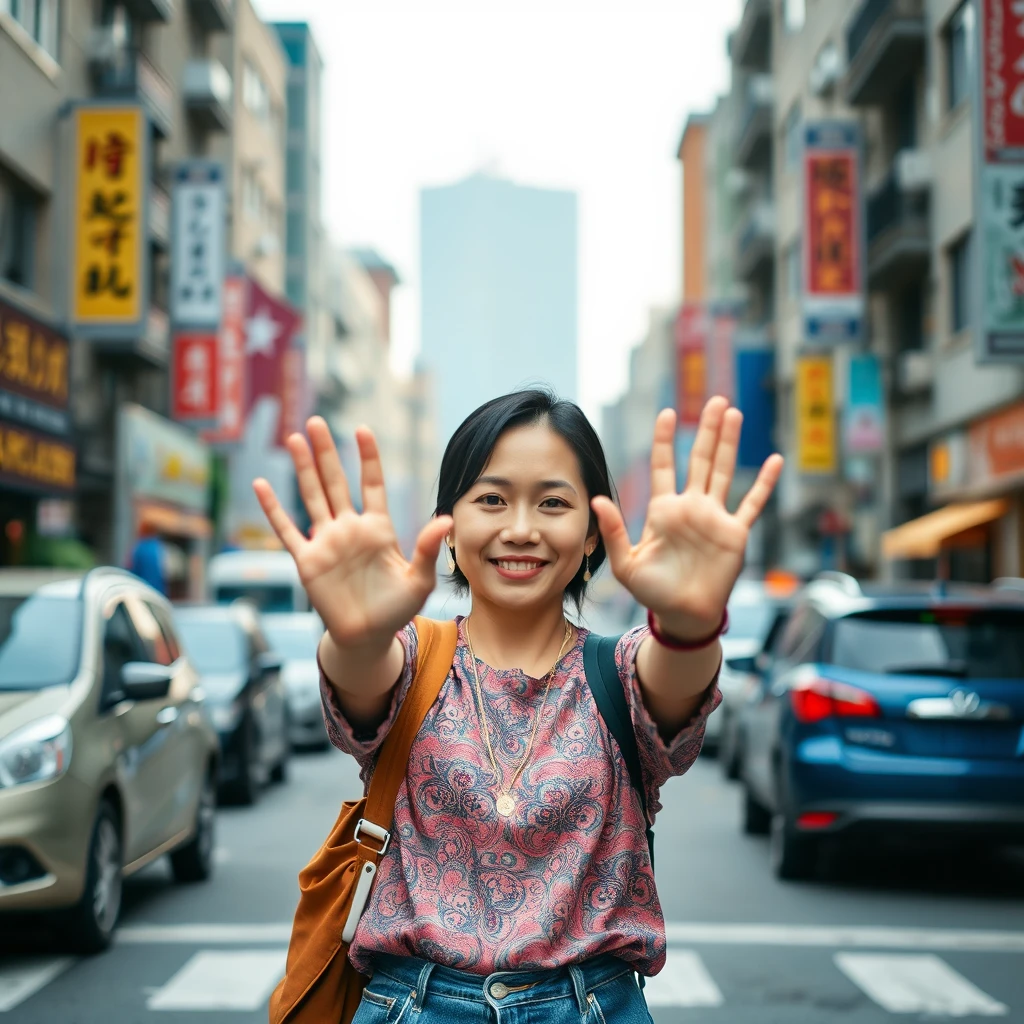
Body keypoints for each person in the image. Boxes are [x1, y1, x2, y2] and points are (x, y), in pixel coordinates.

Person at [254, 389, 782, 1024]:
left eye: (553, 503)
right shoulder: (412, 660)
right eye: (492, 499)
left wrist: (692, 625)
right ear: (449, 527)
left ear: (592, 533)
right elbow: (362, 677)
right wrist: (356, 633)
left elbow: (676, 679)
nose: (522, 528)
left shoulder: (619, 672)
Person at [129, 522, 167, 596]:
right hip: (157, 591)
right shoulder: (159, 547)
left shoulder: (141, 548)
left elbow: (133, 571)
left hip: (142, 590)